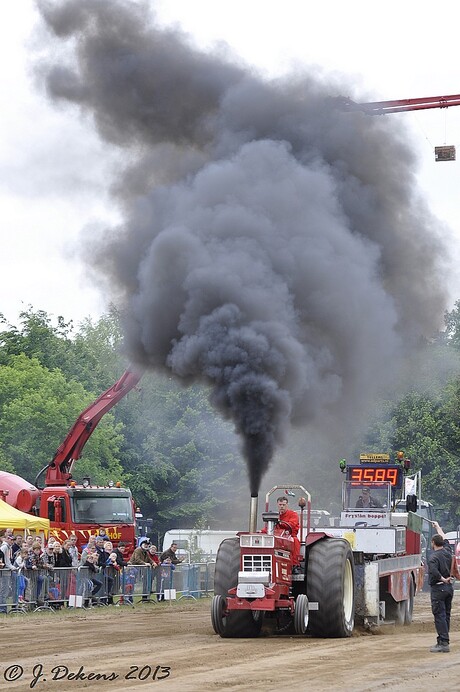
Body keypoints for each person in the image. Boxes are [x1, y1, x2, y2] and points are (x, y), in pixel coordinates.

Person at [428, 521, 454, 653]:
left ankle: (443, 642)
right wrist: (438, 527)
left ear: (433, 543)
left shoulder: (433, 557)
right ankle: (444, 639)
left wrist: (443, 579)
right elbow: (445, 539)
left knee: (439, 615)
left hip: (439, 588)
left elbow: (434, 572)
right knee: (446, 615)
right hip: (449, 588)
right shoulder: (448, 551)